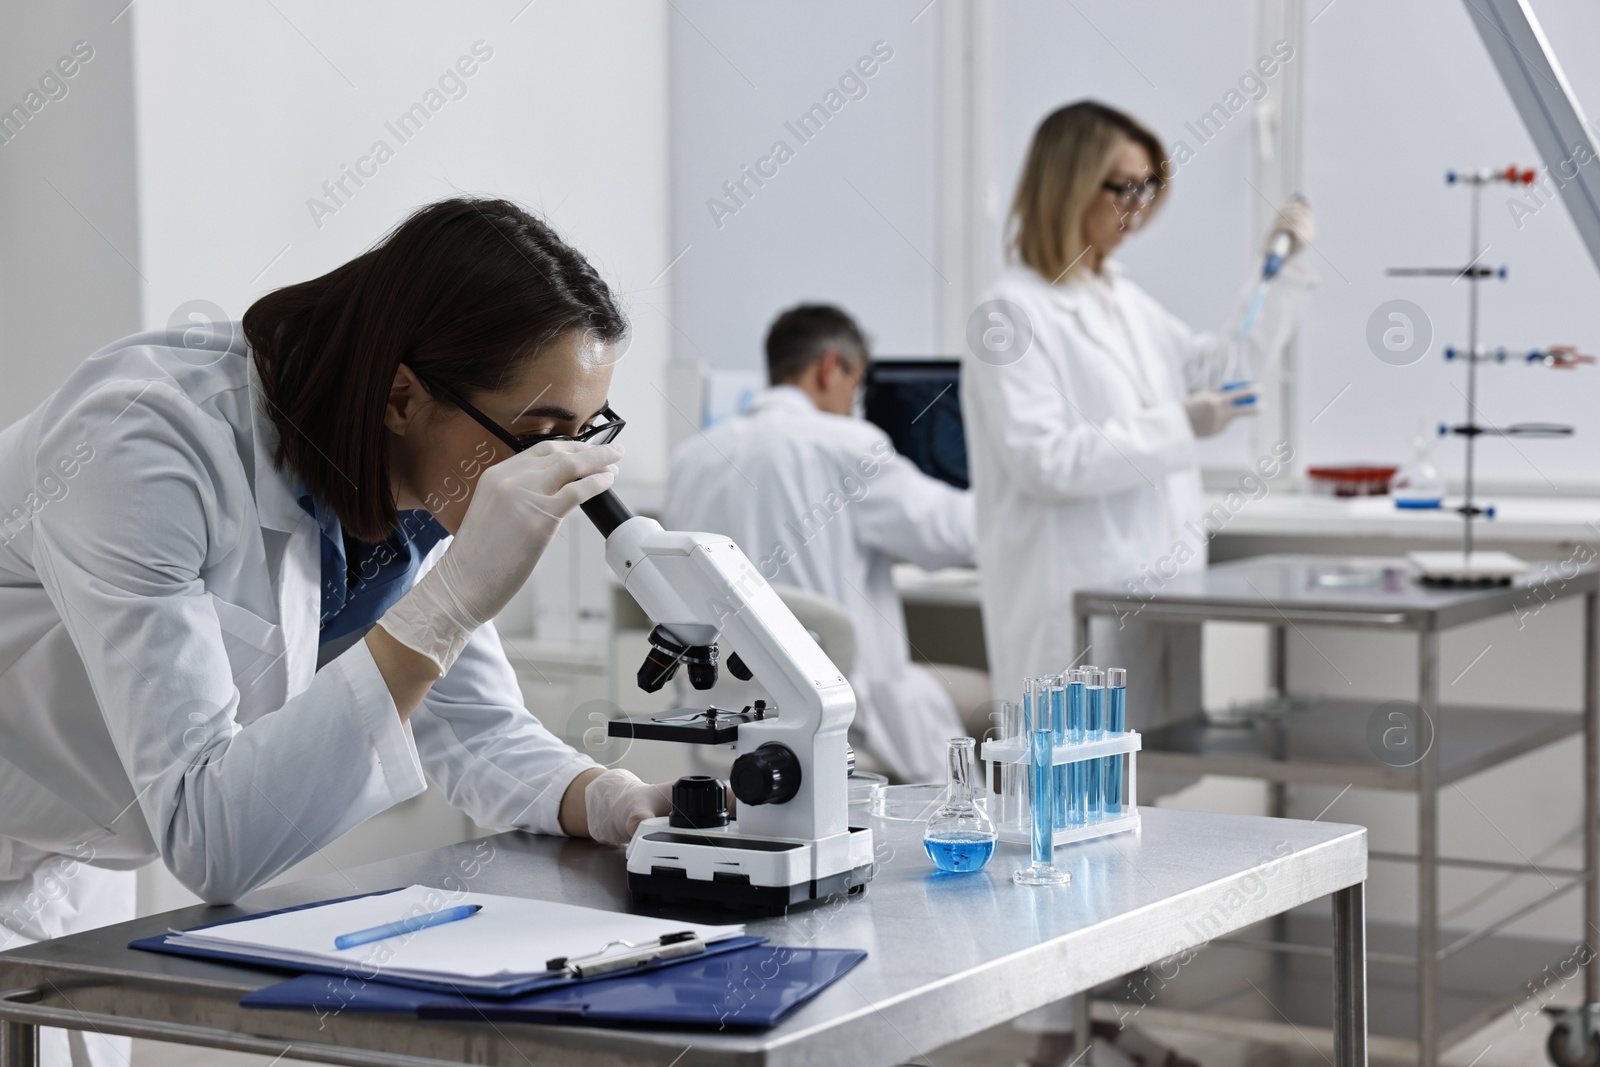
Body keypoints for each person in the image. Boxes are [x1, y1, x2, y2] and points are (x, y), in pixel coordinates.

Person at [0, 198, 677, 1067]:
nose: (556, 472)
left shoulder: (408, 495)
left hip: (73, 857)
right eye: (538, 438)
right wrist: (453, 602)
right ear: (402, 394)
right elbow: (212, 838)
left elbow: (472, 723)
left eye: (584, 437)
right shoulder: (144, 441)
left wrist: (610, 799)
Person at [958, 102, 1313, 1067]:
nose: (1138, 207)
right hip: (1068, 611)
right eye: (1123, 186)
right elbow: (1044, 459)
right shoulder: (1011, 310)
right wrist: (1178, 424)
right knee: (1062, 830)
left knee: (1123, 830)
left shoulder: (1119, 299)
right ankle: (1050, 1046)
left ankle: (1102, 1031)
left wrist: (1273, 271)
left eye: (1151, 187)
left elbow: (1226, 370)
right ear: (1066, 182)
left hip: (1144, 599)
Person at [663, 305, 983, 783]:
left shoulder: (692, 459)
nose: (856, 401)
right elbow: (956, 534)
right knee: (988, 703)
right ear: (831, 367)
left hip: (725, 717)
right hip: (837, 719)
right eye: (858, 385)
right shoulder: (848, 444)